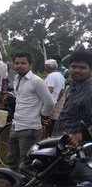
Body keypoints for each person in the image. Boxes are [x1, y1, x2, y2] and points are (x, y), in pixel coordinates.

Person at [9, 52, 54, 169]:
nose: (19, 65)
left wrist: (42, 116)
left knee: (26, 162)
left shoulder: (36, 81)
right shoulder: (16, 78)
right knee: (12, 158)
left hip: (30, 127)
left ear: (30, 65)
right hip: (16, 124)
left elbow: (49, 102)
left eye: (23, 63)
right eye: (17, 63)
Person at [55, 50, 92, 181]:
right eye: (74, 66)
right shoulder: (72, 86)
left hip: (81, 151)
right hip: (63, 144)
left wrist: (81, 135)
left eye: (82, 67)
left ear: (90, 70)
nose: (77, 70)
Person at [43, 59, 65, 138]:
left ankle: (45, 140)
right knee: (52, 124)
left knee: (45, 124)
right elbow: (62, 91)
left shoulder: (51, 76)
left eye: (45, 66)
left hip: (49, 103)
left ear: (47, 67)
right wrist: (57, 100)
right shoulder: (61, 75)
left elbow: (50, 90)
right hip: (56, 103)